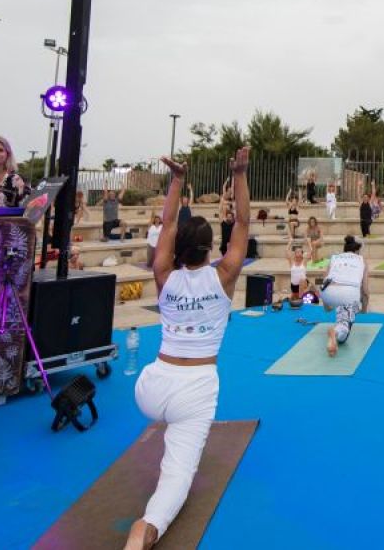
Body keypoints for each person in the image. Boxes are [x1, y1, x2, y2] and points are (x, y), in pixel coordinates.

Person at [125, 147, 250, 550]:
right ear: (211, 249)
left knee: (174, 443)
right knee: (176, 480)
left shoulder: (164, 274)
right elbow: (244, 221)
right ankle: (145, 529)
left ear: (180, 247)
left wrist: (177, 180)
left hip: (150, 387)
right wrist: (241, 173)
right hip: (194, 388)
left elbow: (164, 226)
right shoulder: (225, 275)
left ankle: (145, 529)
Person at [321, 236, 370, 356]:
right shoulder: (361, 260)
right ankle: (336, 331)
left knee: (341, 307)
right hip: (348, 293)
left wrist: (326, 303)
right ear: (357, 251)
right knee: (344, 334)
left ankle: (339, 322)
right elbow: (365, 290)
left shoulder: (334, 258)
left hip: (328, 292)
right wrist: (364, 309)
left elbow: (325, 280)